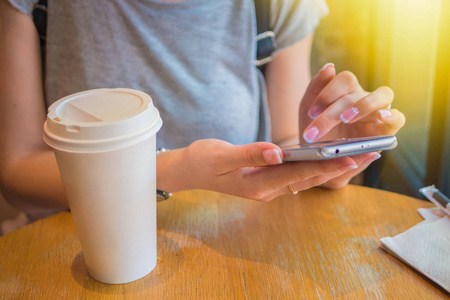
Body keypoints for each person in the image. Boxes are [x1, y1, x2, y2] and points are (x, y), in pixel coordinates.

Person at [0, 0, 405, 224]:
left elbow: (284, 146)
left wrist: (323, 151)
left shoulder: (277, 5)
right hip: (78, 242)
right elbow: (17, 172)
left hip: (232, 240)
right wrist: (175, 171)